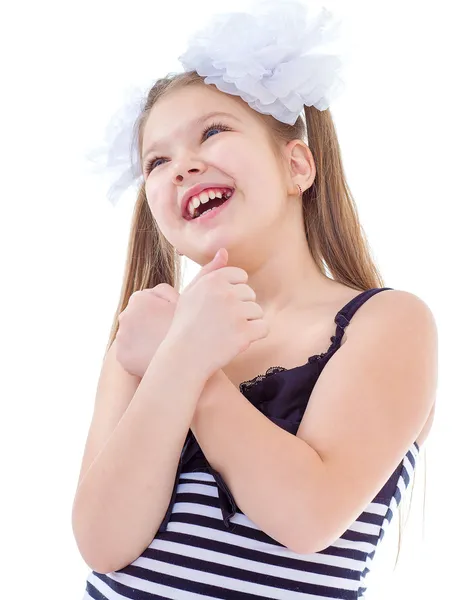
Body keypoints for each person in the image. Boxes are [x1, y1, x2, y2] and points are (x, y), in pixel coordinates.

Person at [72, 2, 438, 598]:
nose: (182, 167)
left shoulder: (386, 323)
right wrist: (172, 358)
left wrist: (190, 366)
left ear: (296, 165)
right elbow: (103, 542)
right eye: (157, 162)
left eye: (212, 132)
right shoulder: (143, 335)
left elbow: (307, 517)